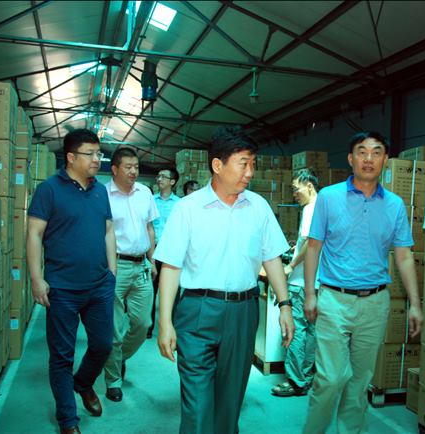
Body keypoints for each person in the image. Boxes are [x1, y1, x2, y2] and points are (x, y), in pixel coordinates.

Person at [155, 127, 295, 434]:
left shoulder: (258, 207)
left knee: (230, 401)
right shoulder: (187, 209)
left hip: (243, 312)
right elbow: (171, 267)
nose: (250, 172)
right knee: (197, 404)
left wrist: (285, 305)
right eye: (243, 163)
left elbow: (271, 257)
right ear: (218, 165)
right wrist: (165, 322)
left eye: (253, 164)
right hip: (197, 310)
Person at [302, 131, 423, 434]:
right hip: (334, 299)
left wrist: (415, 304)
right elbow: (313, 247)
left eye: (376, 152)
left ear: (385, 159)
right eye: (362, 151)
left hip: (375, 303)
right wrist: (310, 294)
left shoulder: (395, 205)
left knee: (359, 380)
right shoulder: (329, 197)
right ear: (350, 158)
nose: (369, 159)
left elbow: (404, 256)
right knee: (330, 378)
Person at [26, 129, 116, 434]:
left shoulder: (100, 191)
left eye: (99, 153)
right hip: (62, 288)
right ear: (71, 157)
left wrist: (112, 272)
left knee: (103, 344)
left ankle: (84, 383)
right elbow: (34, 234)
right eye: (90, 154)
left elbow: (108, 231)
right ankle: (68, 420)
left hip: (99, 286)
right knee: (62, 356)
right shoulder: (49, 190)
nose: (97, 159)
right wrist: (37, 279)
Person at [102, 147, 159, 402]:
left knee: (143, 323)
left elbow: (149, 228)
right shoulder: (103, 195)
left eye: (136, 166)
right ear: (114, 169)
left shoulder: (145, 192)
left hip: (142, 266)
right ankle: (113, 380)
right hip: (115, 266)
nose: (133, 171)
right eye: (128, 167)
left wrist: (152, 259)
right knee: (114, 328)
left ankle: (118, 357)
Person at [271, 168, 319, 397]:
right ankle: (306, 378)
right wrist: (297, 246)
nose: (294, 194)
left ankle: (295, 381)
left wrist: (291, 265)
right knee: (312, 332)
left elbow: (310, 242)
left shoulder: (310, 209)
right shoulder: (323, 208)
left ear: (309, 185)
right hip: (318, 282)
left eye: (295, 188)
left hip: (301, 282)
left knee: (296, 329)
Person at [147, 167, 180, 338]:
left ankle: (170, 326)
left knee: (172, 291)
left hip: (171, 252)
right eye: (158, 176)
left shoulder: (179, 204)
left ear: (172, 182)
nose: (159, 179)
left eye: (163, 177)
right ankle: (148, 327)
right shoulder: (150, 200)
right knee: (150, 290)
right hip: (153, 250)